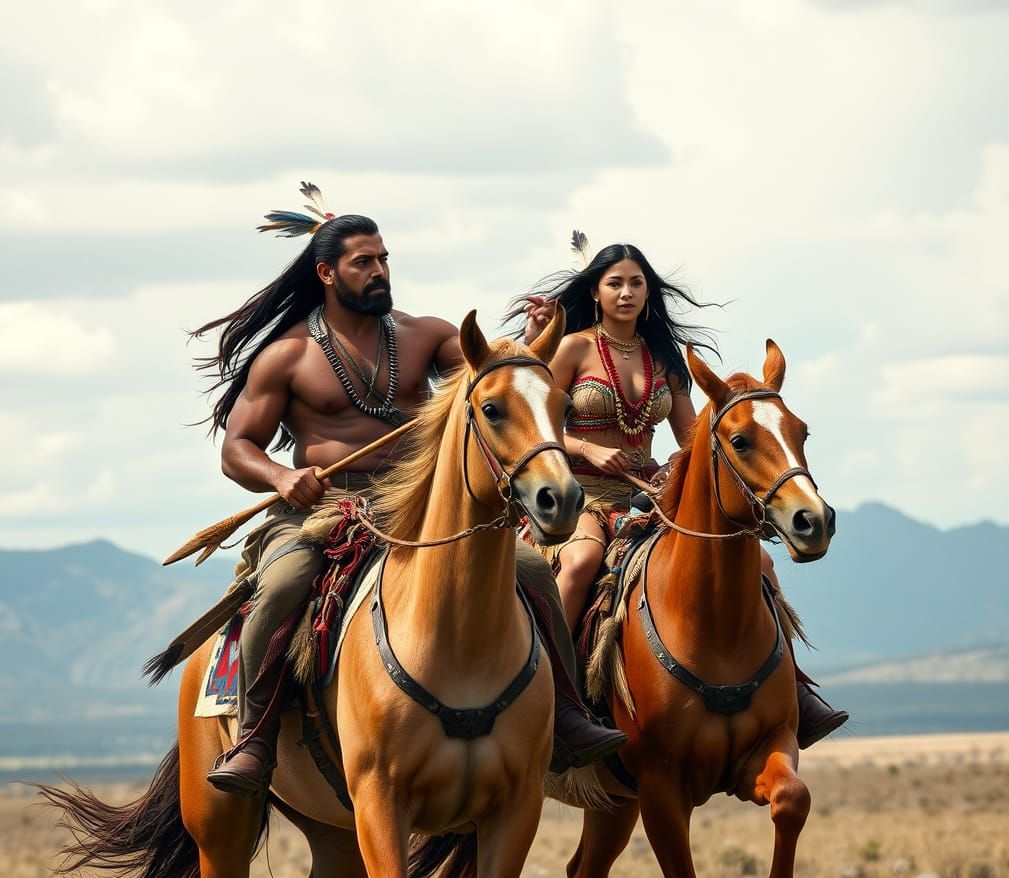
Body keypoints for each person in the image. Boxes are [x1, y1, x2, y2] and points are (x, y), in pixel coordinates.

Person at [188, 185, 626, 796]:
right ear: (326, 272)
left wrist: (529, 338)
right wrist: (285, 477)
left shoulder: (426, 336)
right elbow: (237, 449)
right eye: (363, 262)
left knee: (530, 567)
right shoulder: (286, 355)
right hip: (323, 506)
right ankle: (255, 737)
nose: (379, 271)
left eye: (384, 258)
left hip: (417, 503)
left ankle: (570, 716)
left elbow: (493, 375)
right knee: (286, 583)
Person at [509, 237, 848, 748]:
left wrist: (681, 464)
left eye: (636, 283)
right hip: (581, 491)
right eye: (615, 283)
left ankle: (794, 688)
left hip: (648, 493)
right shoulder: (573, 347)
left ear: (649, 292)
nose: (627, 292)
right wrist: (589, 449)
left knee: (761, 562)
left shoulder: (663, 357)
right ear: (595, 293)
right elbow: (536, 423)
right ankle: (557, 699)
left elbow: (691, 437)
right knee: (581, 561)